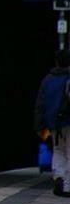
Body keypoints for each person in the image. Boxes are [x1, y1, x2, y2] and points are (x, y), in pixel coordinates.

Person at [34, 48, 70, 196]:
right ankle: (68, 185)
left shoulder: (47, 80)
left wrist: (39, 125)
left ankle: (59, 177)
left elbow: (40, 104)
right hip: (68, 121)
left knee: (58, 150)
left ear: (56, 61)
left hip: (54, 123)